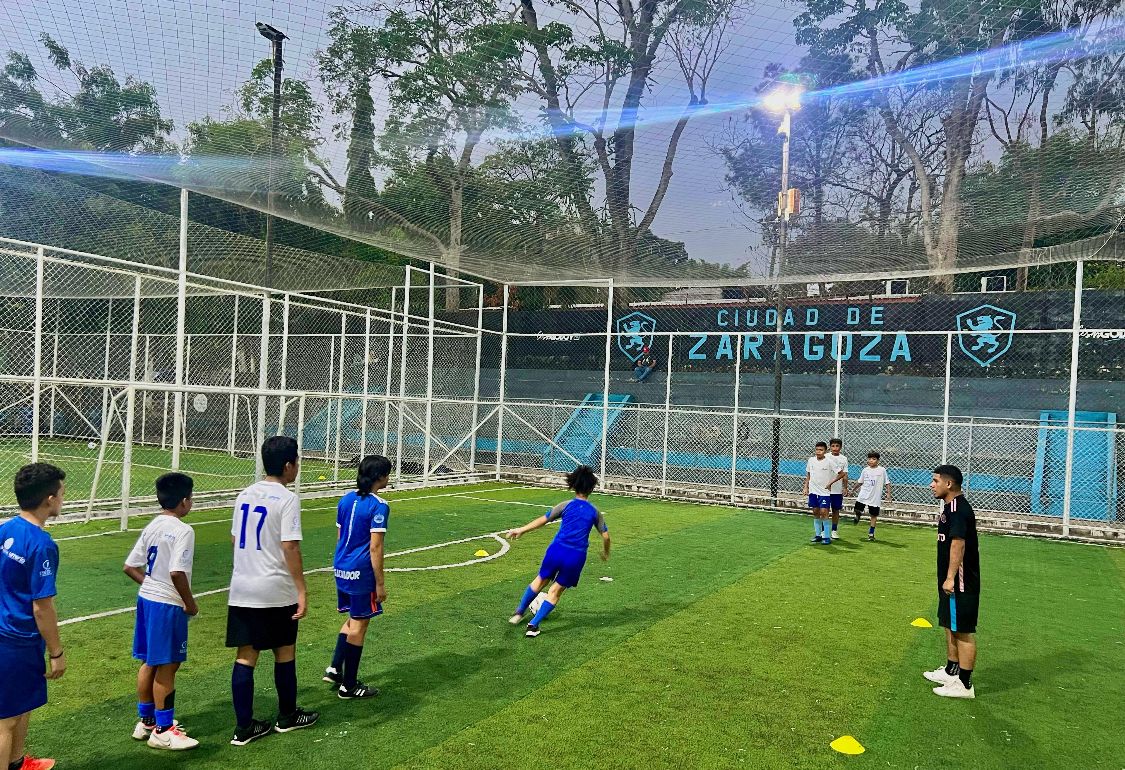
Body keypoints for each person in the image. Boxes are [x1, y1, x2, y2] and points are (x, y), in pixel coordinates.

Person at [226, 436, 319, 746]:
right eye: (297, 462)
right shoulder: (286, 498)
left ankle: (243, 727)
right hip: (274, 588)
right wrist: (302, 590)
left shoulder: (245, 494)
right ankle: (288, 716)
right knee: (284, 652)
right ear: (288, 465)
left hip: (242, 586)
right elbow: (290, 546)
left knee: (246, 656)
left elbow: (234, 538)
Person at [122, 472, 199, 750]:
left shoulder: (153, 525)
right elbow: (177, 572)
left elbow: (130, 566)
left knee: (149, 661)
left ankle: (146, 722)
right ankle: (164, 730)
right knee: (168, 664)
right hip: (168, 605)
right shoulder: (183, 530)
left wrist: (151, 584)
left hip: (147, 599)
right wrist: (190, 603)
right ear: (183, 501)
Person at [0, 464, 67, 770]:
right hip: (16, 640)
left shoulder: (6, 528)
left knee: (21, 706)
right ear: (49, 499)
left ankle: (18, 763)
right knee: (6, 721)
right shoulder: (41, 545)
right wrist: (57, 653)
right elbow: (42, 608)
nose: (63, 499)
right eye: (62, 493)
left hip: (10, 634)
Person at [505, 465, 610, 638]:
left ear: (573, 485)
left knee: (540, 581)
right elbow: (606, 537)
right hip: (575, 556)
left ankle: (518, 613)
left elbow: (543, 520)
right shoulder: (594, 512)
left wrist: (522, 530)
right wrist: (605, 553)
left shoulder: (565, 505)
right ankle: (533, 626)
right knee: (555, 591)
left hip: (556, 550)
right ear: (591, 488)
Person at [323, 455, 391, 700]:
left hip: (341, 565)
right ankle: (349, 685)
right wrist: (380, 583)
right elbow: (375, 548)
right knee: (360, 625)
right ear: (380, 477)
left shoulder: (345, 499)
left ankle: (334, 668)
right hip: (361, 572)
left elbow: (341, 536)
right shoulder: (379, 506)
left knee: (352, 619)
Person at [924, 465, 980, 699]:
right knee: (949, 624)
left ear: (949, 484)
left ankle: (965, 685)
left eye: (935, 480)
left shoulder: (958, 509)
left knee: (962, 631)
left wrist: (949, 578)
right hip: (950, 579)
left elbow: (959, 543)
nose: (932, 485)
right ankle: (951, 670)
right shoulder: (949, 507)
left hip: (960, 581)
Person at [851, 452, 891, 541]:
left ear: (878, 461)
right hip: (864, 494)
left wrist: (888, 494)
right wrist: (853, 490)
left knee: (873, 515)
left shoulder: (882, 470)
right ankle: (858, 515)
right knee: (857, 509)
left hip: (875, 497)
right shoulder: (865, 470)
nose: (871, 461)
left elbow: (887, 483)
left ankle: (871, 533)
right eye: (869, 459)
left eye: (873, 459)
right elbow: (860, 481)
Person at [803, 442, 835, 545]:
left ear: (825, 451)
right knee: (816, 512)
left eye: (821, 450)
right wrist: (805, 487)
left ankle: (826, 536)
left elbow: (841, 473)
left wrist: (830, 483)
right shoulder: (811, 460)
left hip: (824, 492)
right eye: (817, 449)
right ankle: (818, 535)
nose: (818, 452)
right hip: (813, 491)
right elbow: (808, 474)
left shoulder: (829, 462)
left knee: (824, 512)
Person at [827, 438, 849, 540]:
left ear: (840, 447)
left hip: (837, 490)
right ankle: (824, 531)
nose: (835, 448)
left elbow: (845, 474)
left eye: (837, 446)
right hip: (825, 489)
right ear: (830, 447)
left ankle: (834, 530)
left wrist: (845, 487)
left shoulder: (844, 459)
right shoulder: (826, 457)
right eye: (833, 446)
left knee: (835, 510)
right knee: (824, 510)